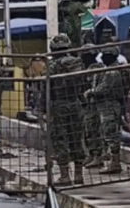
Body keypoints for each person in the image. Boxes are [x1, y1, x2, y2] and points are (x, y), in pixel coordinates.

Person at [46, 34, 87, 186]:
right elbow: (84, 83)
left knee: (60, 139)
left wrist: (44, 108)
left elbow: (45, 87)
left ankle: (65, 176)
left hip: (58, 105)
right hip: (75, 103)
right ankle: (78, 175)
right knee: (77, 138)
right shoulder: (77, 63)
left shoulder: (52, 66)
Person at [85, 45, 125, 175]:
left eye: (105, 55)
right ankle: (111, 161)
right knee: (106, 133)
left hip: (110, 105)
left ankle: (115, 162)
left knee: (111, 133)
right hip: (106, 105)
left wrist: (90, 92)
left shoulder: (112, 71)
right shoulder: (110, 69)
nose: (102, 57)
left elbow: (103, 89)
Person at [80, 44, 104, 169]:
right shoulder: (83, 68)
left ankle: (97, 155)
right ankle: (90, 154)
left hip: (94, 104)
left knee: (93, 129)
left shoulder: (97, 68)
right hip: (85, 104)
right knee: (86, 130)